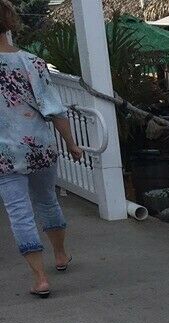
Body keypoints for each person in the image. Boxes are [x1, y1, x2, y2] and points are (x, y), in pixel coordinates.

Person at [0, 1, 83, 298]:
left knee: (20, 213)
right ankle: (60, 255)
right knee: (47, 201)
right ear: (10, 23)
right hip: (40, 147)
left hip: (4, 155)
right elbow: (55, 108)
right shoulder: (33, 62)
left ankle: (40, 279)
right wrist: (72, 143)